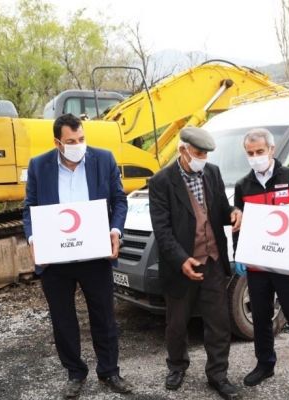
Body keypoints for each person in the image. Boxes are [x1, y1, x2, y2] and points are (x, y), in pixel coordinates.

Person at [22, 113, 132, 398]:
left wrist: (115, 230)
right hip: (55, 259)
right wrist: (33, 239)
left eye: (81, 139)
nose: (78, 145)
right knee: (63, 320)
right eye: (70, 141)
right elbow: (29, 208)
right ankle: (75, 373)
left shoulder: (103, 159)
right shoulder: (39, 166)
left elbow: (119, 200)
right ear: (57, 142)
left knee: (104, 316)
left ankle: (109, 371)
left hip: (95, 255)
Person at [148, 126, 243, 400]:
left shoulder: (211, 173)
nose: (203, 158)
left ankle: (218, 375)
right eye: (199, 153)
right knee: (177, 324)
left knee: (218, 322)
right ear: (183, 150)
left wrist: (234, 212)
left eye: (206, 154)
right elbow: (162, 230)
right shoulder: (161, 181)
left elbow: (220, 209)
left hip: (213, 261)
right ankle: (177, 366)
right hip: (181, 266)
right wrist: (181, 260)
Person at [233, 128, 289, 396]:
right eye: (250, 153)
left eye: (260, 151)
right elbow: (238, 224)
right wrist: (239, 254)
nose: (255, 157)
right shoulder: (243, 185)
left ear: (271, 149)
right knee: (260, 317)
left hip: (288, 263)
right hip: (257, 265)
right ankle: (265, 364)